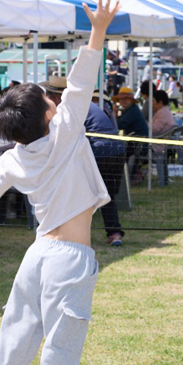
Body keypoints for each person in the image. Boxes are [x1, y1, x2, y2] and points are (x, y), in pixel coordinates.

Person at [0, 0, 119, 365]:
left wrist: (8, 162)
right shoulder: (66, 130)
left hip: (37, 257)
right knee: (59, 351)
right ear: (47, 115)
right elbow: (80, 82)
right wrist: (99, 29)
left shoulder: (13, 158)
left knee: (12, 346)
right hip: (69, 260)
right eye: (47, 100)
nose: (54, 99)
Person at [40, 76, 126, 247]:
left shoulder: (68, 109)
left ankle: (71, 234)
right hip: (117, 150)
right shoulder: (85, 104)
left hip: (99, 150)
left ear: (57, 96)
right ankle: (115, 233)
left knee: (79, 193)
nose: (47, 99)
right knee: (107, 194)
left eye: (49, 95)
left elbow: (63, 140)